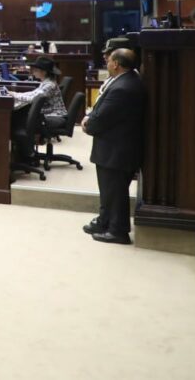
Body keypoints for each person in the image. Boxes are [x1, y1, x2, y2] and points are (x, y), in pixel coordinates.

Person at [81, 49, 146, 244]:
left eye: (109, 60)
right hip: (115, 146)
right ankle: (105, 221)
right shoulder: (128, 80)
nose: (107, 63)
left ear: (116, 63)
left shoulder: (122, 88)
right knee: (109, 189)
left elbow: (103, 118)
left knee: (115, 191)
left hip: (117, 148)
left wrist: (88, 124)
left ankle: (118, 231)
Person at [9, 56, 69, 159]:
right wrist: (15, 93)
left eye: (36, 70)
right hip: (49, 114)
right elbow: (33, 93)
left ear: (44, 72)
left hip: (56, 117)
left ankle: (26, 154)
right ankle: (24, 153)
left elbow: (33, 98)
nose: (33, 72)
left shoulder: (49, 85)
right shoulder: (46, 82)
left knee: (20, 118)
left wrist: (14, 95)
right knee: (20, 115)